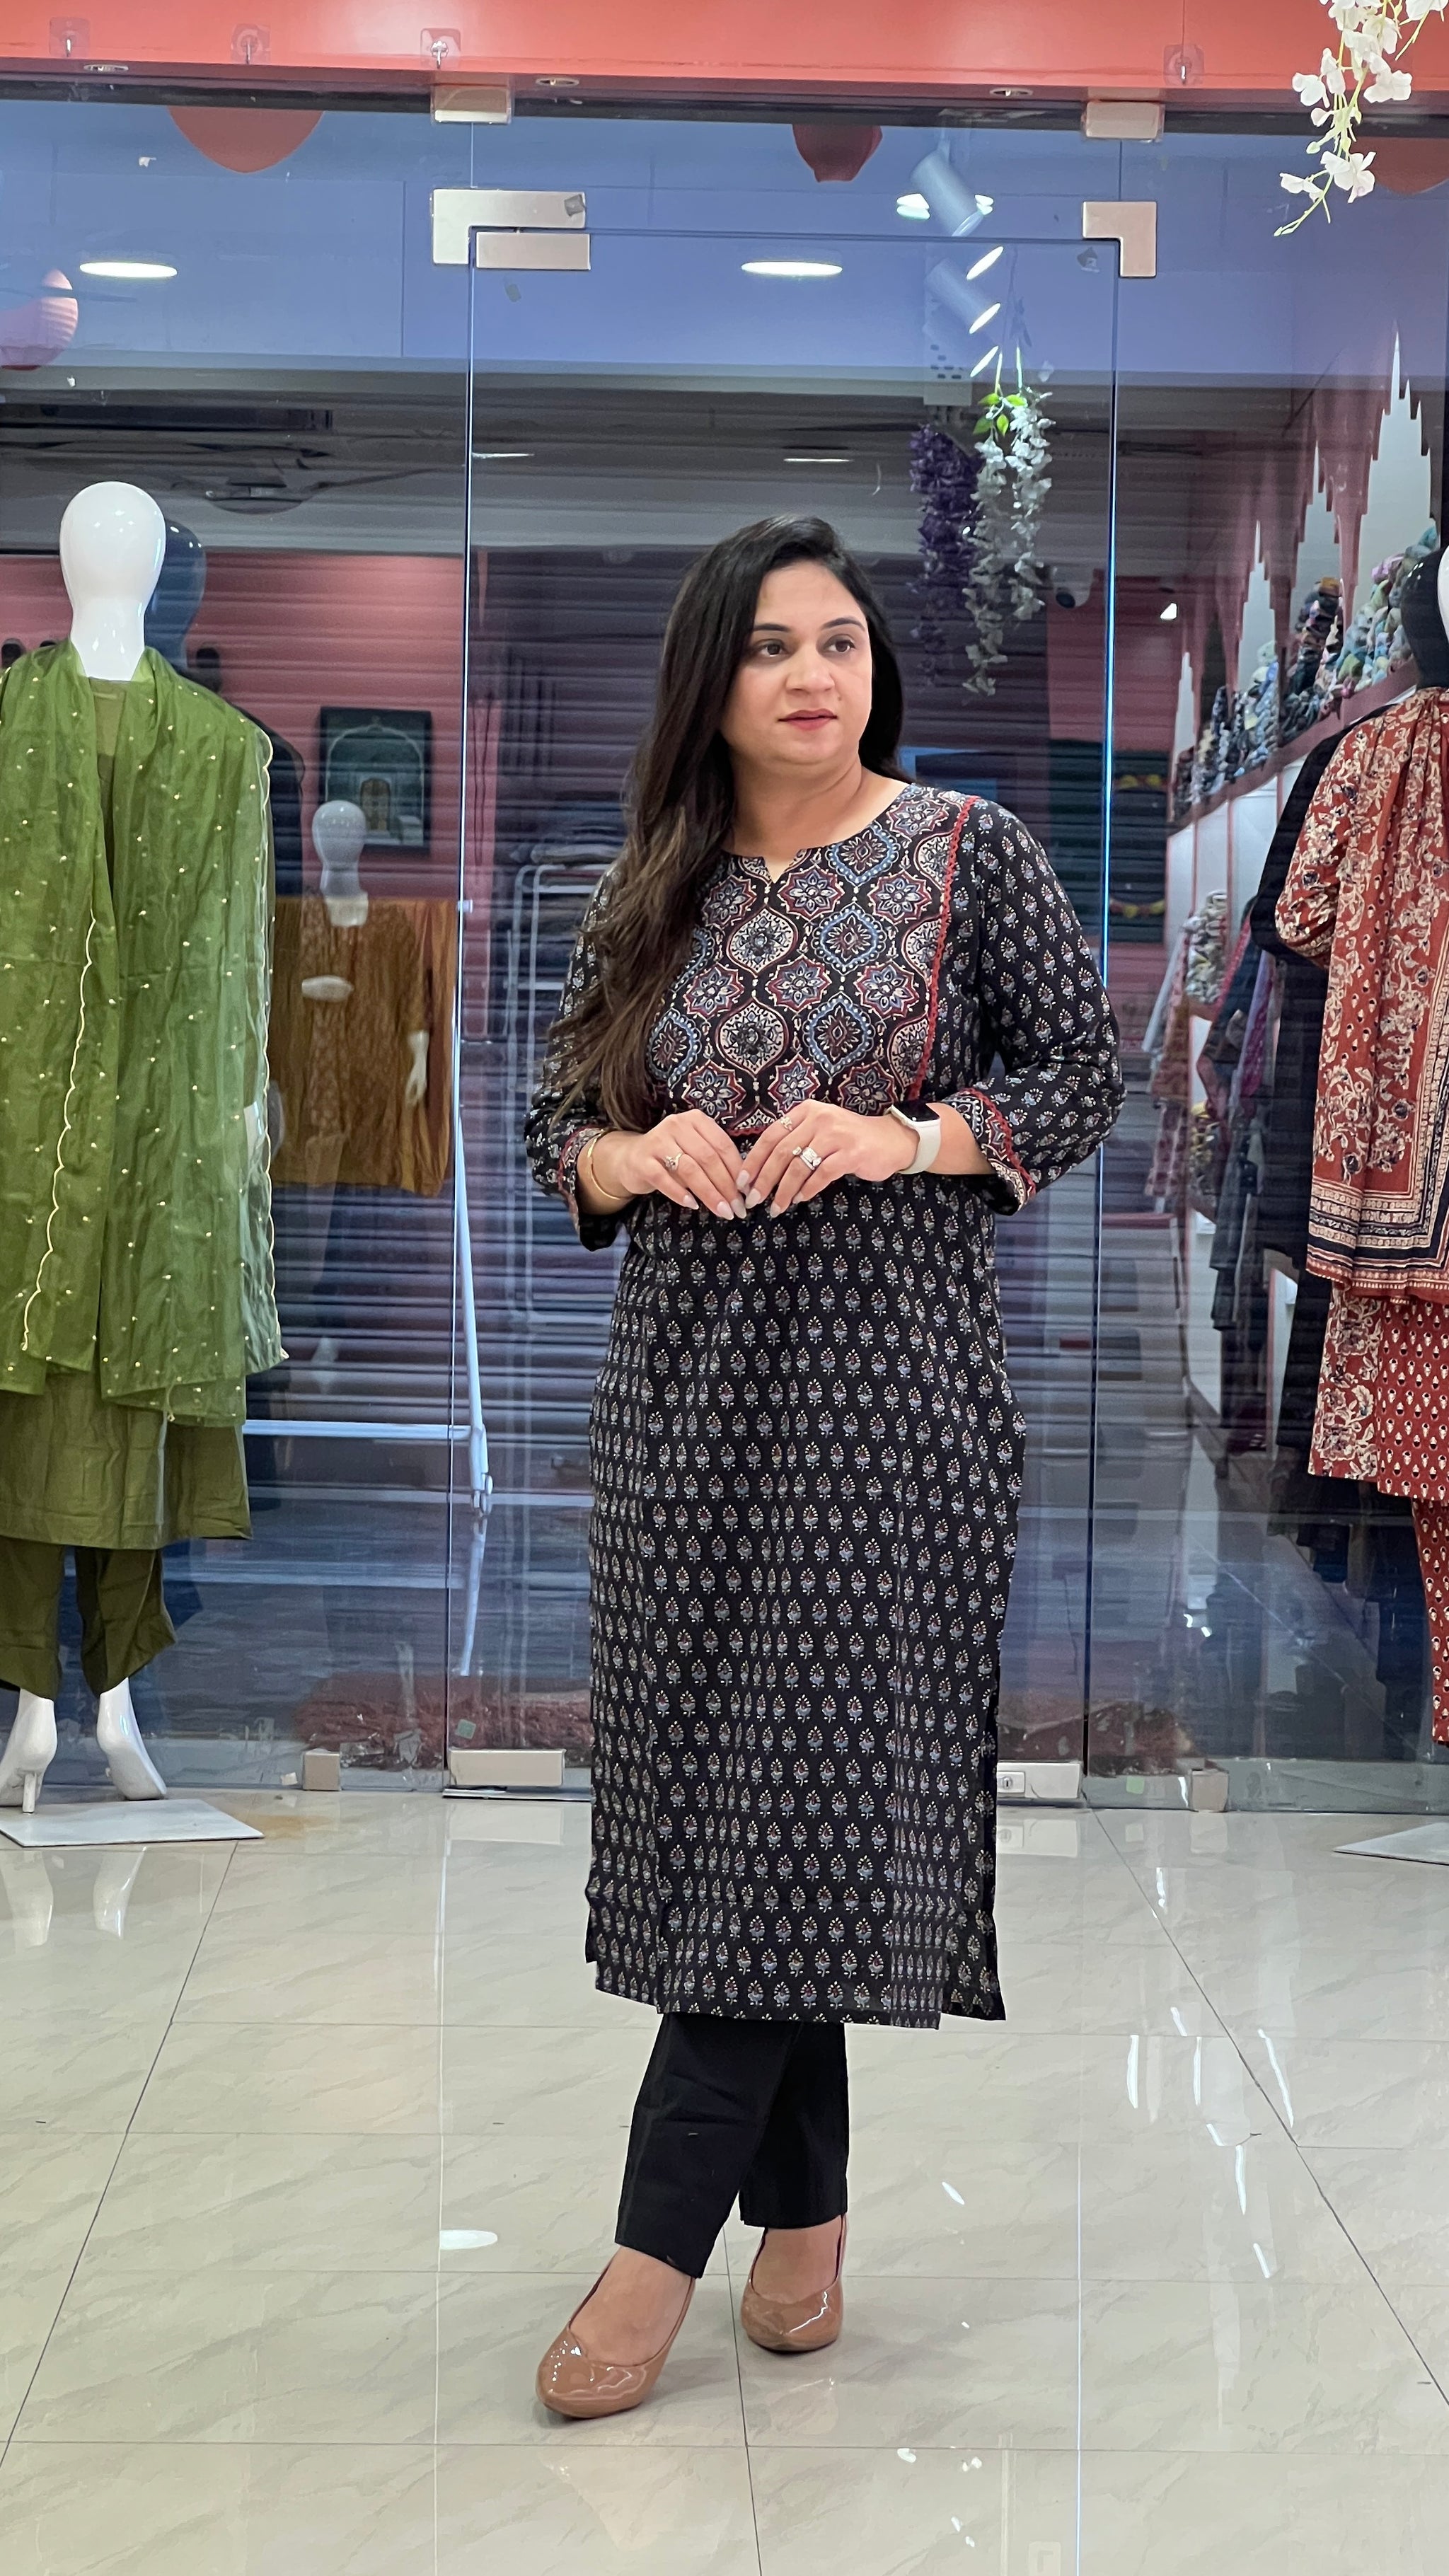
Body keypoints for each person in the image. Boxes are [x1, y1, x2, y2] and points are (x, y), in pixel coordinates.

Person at [524, 514, 1123, 2418]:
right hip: (685, 1415)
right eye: (771, 644)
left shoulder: (968, 852)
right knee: (738, 1811)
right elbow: (555, 1114)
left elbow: (1084, 1072)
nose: (810, 674)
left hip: (889, 1414)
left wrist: (910, 1137)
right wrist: (629, 1155)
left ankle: (651, 2251)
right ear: (710, 679)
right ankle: (808, 2225)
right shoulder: (651, 882)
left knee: (795, 1794)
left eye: (840, 641)